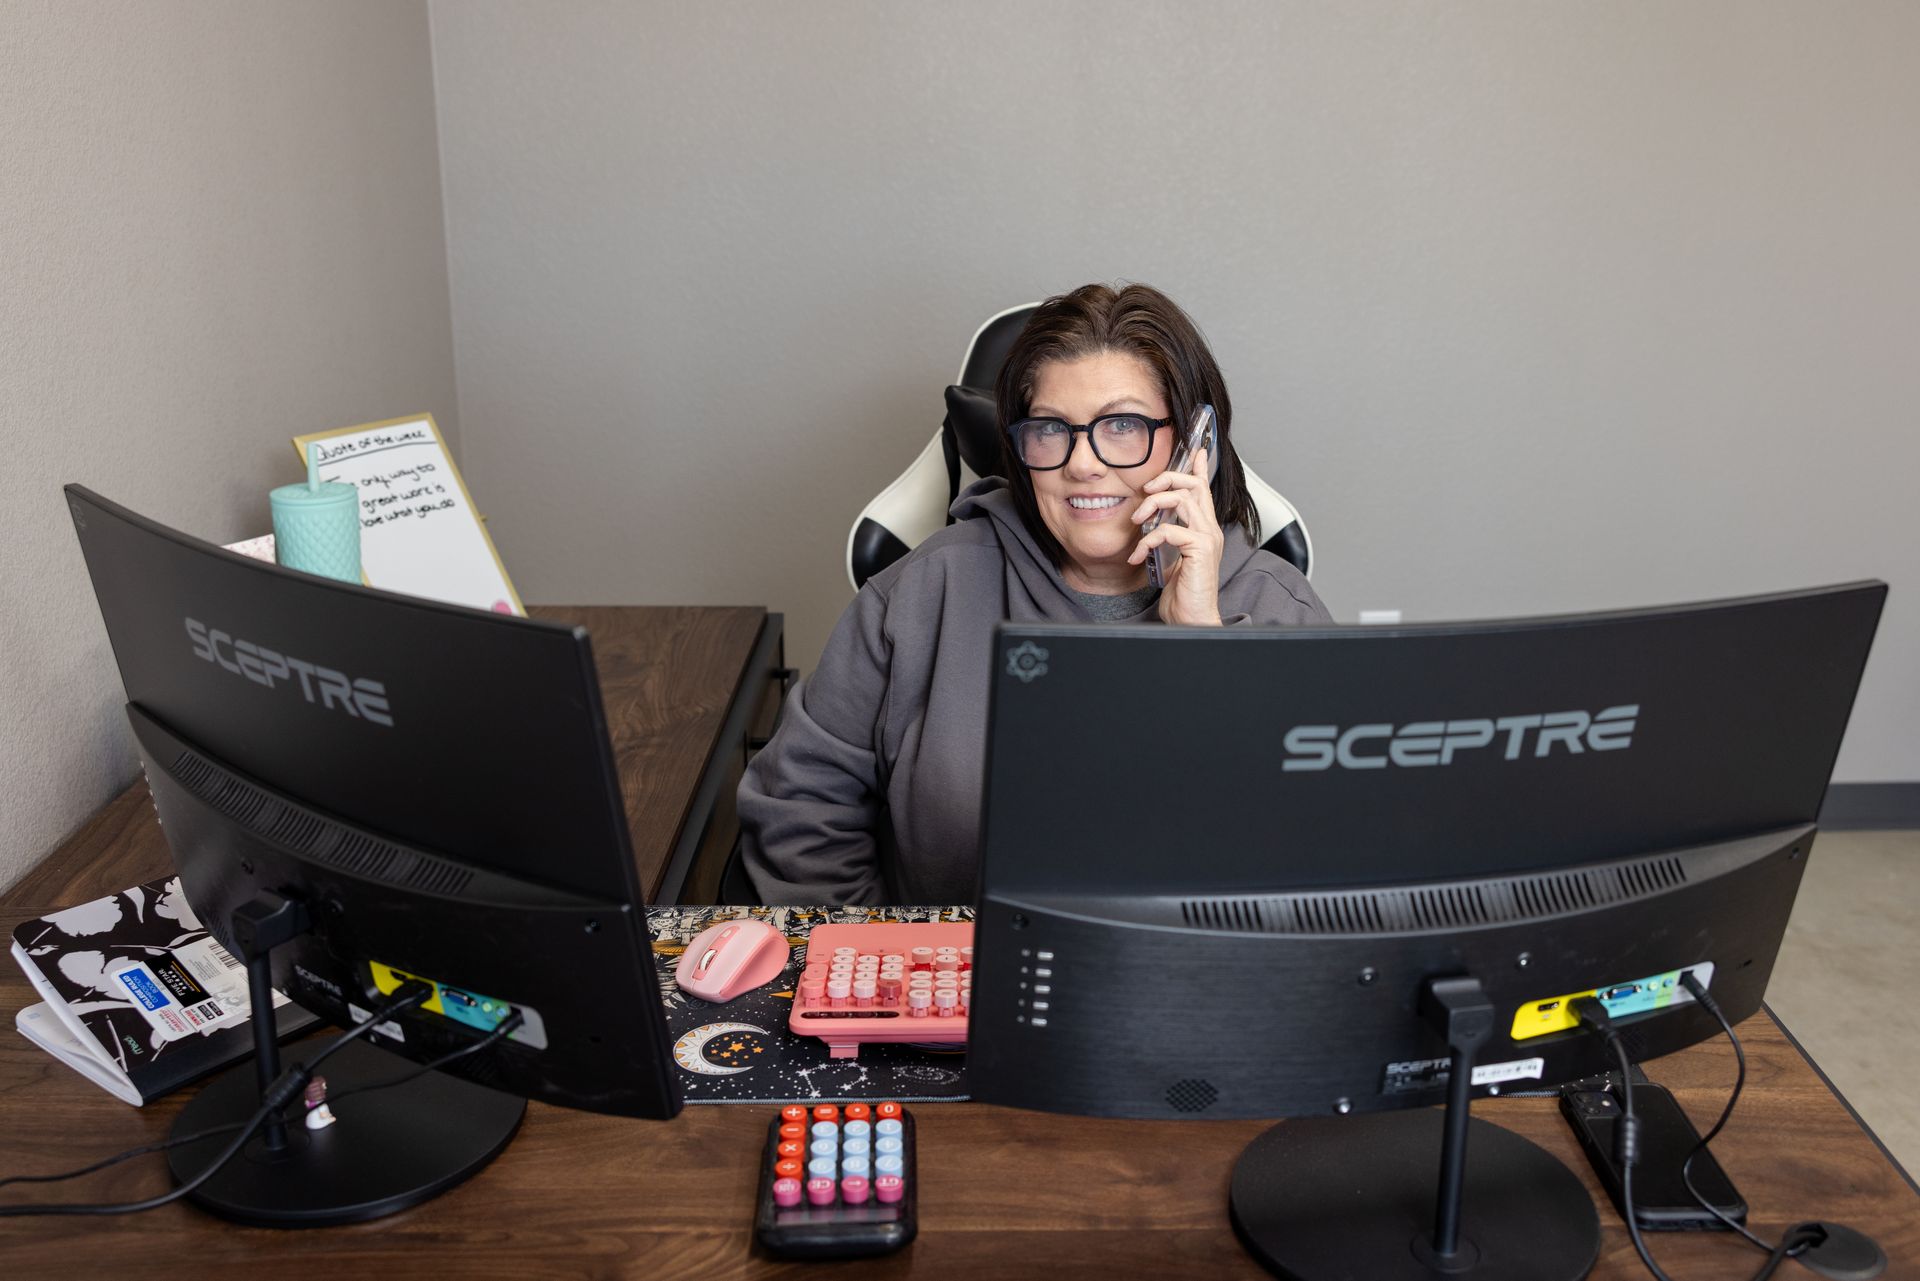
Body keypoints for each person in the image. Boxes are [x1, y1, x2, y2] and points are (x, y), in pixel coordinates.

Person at [740, 283, 1333, 905]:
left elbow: (1314, 856)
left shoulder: (1281, 612)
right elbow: (800, 807)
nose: (1082, 464)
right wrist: (887, 952)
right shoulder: (922, 592)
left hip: (1195, 963)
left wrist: (1204, 646)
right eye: (1050, 429)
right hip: (952, 963)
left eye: (1123, 425)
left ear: (1194, 447)